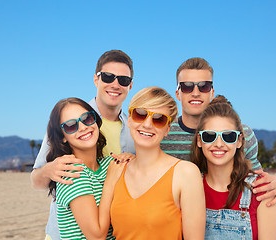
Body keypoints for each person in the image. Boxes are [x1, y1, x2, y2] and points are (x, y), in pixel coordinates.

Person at [31, 50, 135, 240]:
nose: (115, 84)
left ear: (130, 85)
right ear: (96, 79)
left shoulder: (134, 128)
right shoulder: (67, 114)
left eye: (123, 80)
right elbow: (35, 179)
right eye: (108, 77)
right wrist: (50, 170)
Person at [160, 57, 276, 206]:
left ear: (212, 92)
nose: (195, 93)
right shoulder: (162, 132)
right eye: (187, 86)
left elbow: (260, 183)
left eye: (203, 86)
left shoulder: (240, 134)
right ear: (178, 93)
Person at [110, 87, 206, 240]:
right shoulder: (117, 168)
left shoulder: (185, 173)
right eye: (140, 114)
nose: (148, 125)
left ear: (168, 128)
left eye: (159, 119)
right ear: (129, 119)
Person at [191, 96, 276, 239]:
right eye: (209, 136)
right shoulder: (189, 188)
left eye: (228, 136)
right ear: (199, 141)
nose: (219, 144)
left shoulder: (261, 191)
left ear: (239, 141)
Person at [46, 97, 126, 239]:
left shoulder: (108, 164)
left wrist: (130, 159)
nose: (83, 127)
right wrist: (110, 182)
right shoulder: (72, 173)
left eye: (87, 118)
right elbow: (97, 236)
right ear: (62, 137)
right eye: (71, 126)